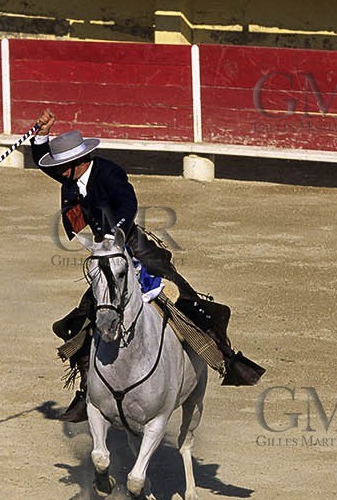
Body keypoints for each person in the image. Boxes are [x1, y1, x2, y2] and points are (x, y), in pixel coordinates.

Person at [28, 111, 263, 423]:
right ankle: (87, 388)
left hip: (130, 242)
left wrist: (117, 234)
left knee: (178, 293)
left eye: (61, 167)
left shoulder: (108, 173)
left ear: (77, 163)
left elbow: (128, 204)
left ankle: (224, 355)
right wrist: (41, 134)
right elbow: (44, 159)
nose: (58, 172)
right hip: (104, 251)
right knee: (89, 312)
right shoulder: (72, 173)